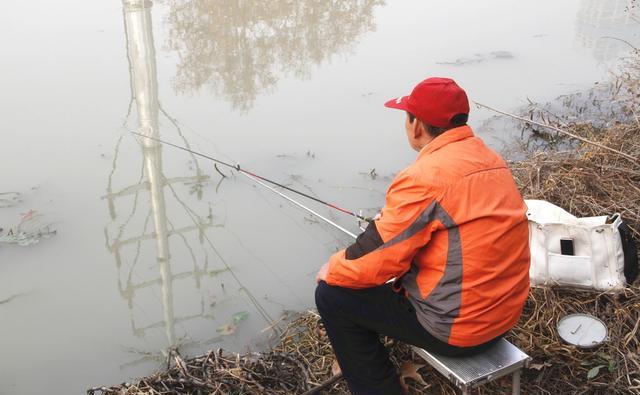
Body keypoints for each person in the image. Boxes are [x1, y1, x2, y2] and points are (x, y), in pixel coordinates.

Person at [315, 77, 530, 395]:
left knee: (332, 295)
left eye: (407, 116)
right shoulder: (492, 162)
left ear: (416, 126)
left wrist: (331, 269)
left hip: (458, 331)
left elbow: (375, 264)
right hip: (504, 316)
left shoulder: (424, 177)